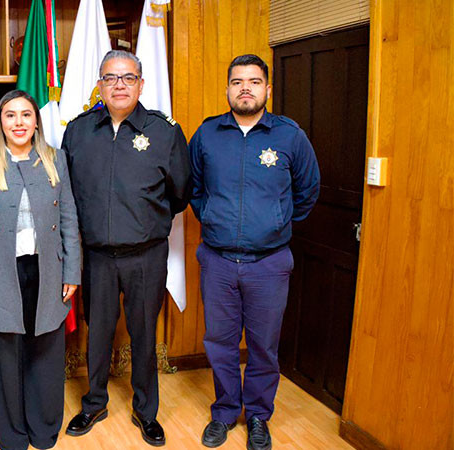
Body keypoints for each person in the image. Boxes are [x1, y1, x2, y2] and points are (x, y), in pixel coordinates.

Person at [188, 54, 320, 450]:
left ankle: (259, 416)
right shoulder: (208, 134)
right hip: (218, 261)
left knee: (263, 345)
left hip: (269, 263)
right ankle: (226, 411)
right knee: (220, 342)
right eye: (237, 81)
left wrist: (275, 223)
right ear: (227, 88)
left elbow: (308, 191)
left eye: (254, 81)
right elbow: (194, 190)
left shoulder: (289, 136)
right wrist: (213, 219)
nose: (245, 87)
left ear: (267, 89)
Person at [62, 50, 192, 447]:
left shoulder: (165, 132)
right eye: (110, 78)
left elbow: (181, 192)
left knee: (142, 334)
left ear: (141, 84)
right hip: (97, 256)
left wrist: (144, 221)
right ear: (99, 84)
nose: (119, 85)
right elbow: (66, 191)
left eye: (128, 77)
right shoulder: (79, 131)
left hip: (146, 256)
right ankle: (95, 402)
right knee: (97, 333)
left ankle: (145, 411)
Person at [0, 90, 81, 450]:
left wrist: (72, 272)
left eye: (26, 115)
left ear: (36, 121)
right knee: (4, 355)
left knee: (44, 350)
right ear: (0, 122)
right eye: (10, 115)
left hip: (47, 271)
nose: (18, 122)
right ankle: (11, 433)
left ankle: (43, 428)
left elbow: (69, 220)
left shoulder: (55, 160)